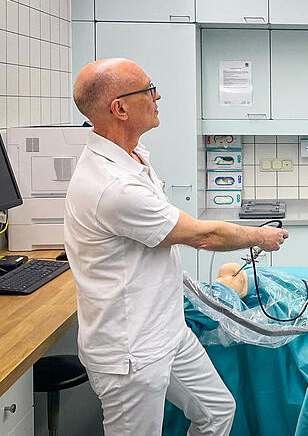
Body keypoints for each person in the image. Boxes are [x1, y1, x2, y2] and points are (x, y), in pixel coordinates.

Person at [64, 58, 289, 435]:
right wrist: (259, 237)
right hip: (131, 351)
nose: (158, 96)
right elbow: (202, 236)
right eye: (148, 89)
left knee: (217, 412)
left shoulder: (133, 155)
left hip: (167, 330)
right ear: (120, 109)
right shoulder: (112, 186)